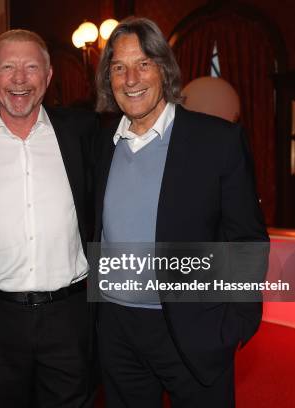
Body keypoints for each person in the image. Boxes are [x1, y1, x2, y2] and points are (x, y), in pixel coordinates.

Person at [93, 17, 268, 407]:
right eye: (118, 67)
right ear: (109, 79)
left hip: (193, 327)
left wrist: (236, 323)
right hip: (117, 331)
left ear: (164, 69)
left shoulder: (216, 140)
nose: (131, 78)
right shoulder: (101, 142)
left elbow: (246, 238)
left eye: (144, 63)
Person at [0, 29, 97, 407]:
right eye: (8, 67)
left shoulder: (84, 132)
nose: (19, 79)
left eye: (31, 67)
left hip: (71, 316)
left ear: (47, 77)